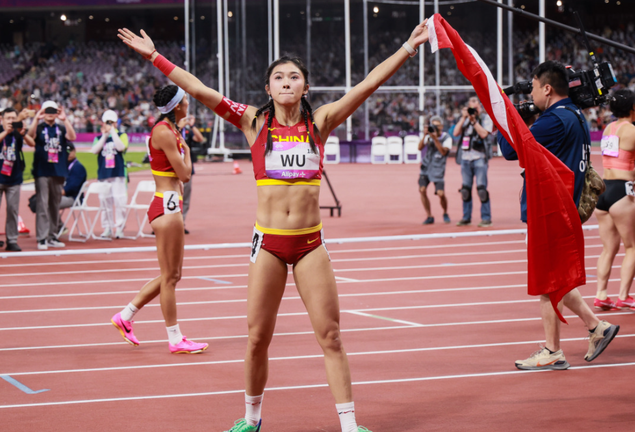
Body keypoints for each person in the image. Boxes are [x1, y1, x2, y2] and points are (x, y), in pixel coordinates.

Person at [119, 18, 429, 432]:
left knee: (331, 337)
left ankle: (351, 425)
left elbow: (367, 85)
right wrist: (155, 57)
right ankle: (251, 419)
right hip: (267, 245)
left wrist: (408, 48)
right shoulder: (252, 123)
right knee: (257, 339)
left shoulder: (320, 123)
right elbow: (199, 90)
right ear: (268, 89)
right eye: (278, 77)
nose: (286, 82)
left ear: (305, 87)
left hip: (310, 246)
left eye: (294, 76)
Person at [497, 60, 619, 371]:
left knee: (545, 281)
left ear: (547, 88)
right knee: (554, 281)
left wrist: (512, 117)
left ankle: (555, 349)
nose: (532, 93)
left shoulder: (553, 120)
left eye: (534, 87)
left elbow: (510, 150)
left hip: (550, 208)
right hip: (565, 205)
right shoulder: (575, 114)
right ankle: (596, 327)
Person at [110, 84, 208, 355]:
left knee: (172, 275)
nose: (188, 103)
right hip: (166, 206)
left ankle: (126, 316)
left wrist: (183, 138)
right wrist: (187, 150)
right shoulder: (164, 132)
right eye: (185, 100)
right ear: (177, 105)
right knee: (170, 277)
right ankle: (175, 338)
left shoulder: (169, 129)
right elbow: (186, 174)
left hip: (168, 205)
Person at [594, 89, 635, 311]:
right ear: (633, 108)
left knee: (608, 248)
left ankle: (601, 294)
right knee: (632, 247)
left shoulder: (608, 129)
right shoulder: (632, 130)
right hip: (621, 191)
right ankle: (624, 296)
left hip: (602, 191)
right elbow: (631, 172)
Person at [27, 100, 77, 250]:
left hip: (59, 171)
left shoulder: (61, 128)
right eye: (47, 111)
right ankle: (42, 238)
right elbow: (29, 138)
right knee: (42, 204)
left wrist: (64, 118)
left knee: (54, 205)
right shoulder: (39, 127)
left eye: (52, 111)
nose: (50, 114)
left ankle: (52, 236)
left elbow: (72, 137)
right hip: (42, 170)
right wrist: (36, 118)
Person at [453, 96, 493, 227]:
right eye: (471, 108)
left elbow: (483, 134)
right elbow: (456, 133)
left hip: (479, 157)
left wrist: (474, 121)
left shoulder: (485, 118)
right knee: (465, 189)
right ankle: (466, 217)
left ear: (480, 107)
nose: (473, 110)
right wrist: (464, 117)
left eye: (475, 107)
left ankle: (486, 217)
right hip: (465, 158)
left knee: (481, 189)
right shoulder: (464, 119)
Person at [0, 108, 35, 252]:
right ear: (1, 119)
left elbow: (31, 143)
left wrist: (22, 132)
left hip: (14, 178)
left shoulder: (17, 132)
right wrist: (5, 132)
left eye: (13, 118)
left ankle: (12, 240)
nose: (10, 121)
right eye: (8, 118)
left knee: (13, 210)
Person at [91, 109, 129, 238]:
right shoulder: (98, 138)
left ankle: (120, 228)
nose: (109, 124)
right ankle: (107, 227)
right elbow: (94, 150)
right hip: (104, 173)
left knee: (120, 201)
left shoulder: (122, 135)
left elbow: (120, 147)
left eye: (112, 122)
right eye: (107, 122)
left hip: (118, 173)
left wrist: (113, 132)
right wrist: (105, 136)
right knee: (104, 202)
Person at [418, 116, 451, 224]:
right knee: (422, 190)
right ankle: (429, 215)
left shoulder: (446, 138)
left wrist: (435, 139)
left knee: (441, 194)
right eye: (432, 125)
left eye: (436, 126)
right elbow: (419, 148)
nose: (434, 128)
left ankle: (445, 212)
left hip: (438, 169)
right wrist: (425, 135)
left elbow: (443, 152)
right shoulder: (428, 136)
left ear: (441, 126)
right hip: (426, 167)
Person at [177, 114, 204, 234]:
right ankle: (165, 222)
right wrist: (178, 127)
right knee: (169, 195)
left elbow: (200, 139)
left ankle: (180, 223)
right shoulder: (170, 130)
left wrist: (192, 126)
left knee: (185, 198)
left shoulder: (187, 132)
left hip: (187, 168)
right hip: (173, 169)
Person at [59, 142, 87, 217]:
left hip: (73, 198)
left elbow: (72, 187)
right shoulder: (62, 166)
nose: (69, 153)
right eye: (66, 151)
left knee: (49, 203)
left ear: (75, 151)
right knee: (40, 201)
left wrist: (56, 193)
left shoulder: (78, 167)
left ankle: (59, 227)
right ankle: (53, 226)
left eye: (71, 151)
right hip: (62, 195)